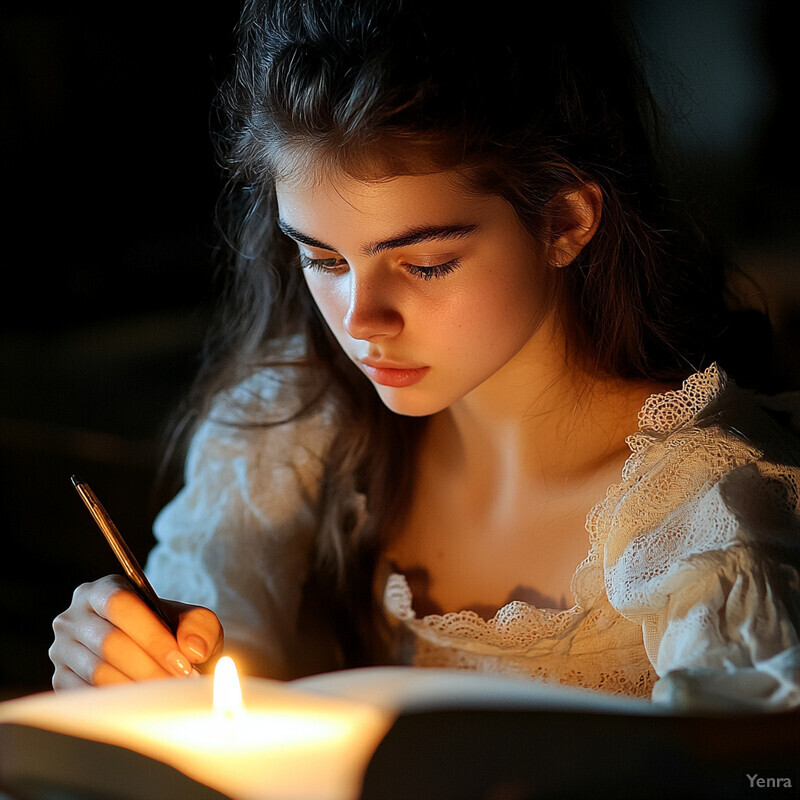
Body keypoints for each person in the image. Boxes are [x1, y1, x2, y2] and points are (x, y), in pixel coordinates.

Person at [49, 0, 800, 710]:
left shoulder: (704, 519)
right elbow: (210, 667)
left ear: (565, 221)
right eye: (324, 260)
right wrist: (135, 669)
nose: (362, 320)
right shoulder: (294, 431)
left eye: (426, 264)